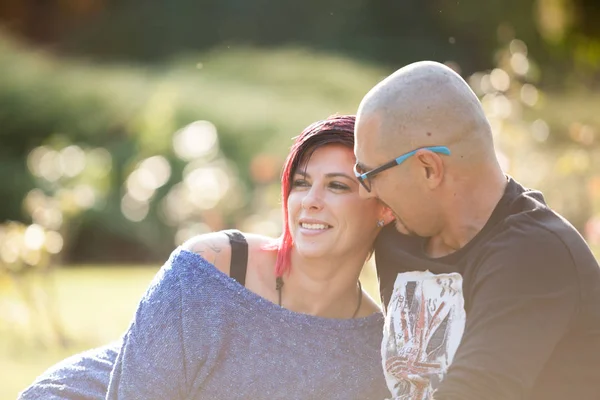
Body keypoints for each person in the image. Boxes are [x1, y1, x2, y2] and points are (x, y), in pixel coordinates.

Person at [19, 115, 393, 400]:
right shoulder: (211, 268)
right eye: (301, 182)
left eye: (338, 186)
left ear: (386, 208)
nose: (310, 200)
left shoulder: (373, 350)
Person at [353, 61, 600, 400]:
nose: (366, 191)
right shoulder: (401, 233)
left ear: (428, 168)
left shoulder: (537, 255)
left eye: (369, 174)